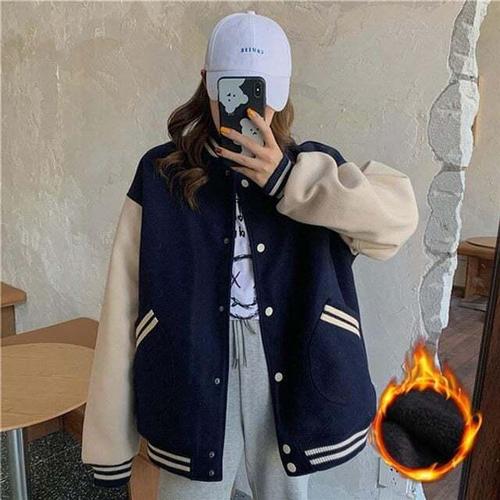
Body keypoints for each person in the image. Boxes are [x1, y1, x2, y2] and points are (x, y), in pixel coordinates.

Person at [81, 10, 419, 500]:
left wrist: (289, 181)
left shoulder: (314, 172)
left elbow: (396, 222)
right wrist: (109, 445)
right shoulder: (160, 173)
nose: (248, 107)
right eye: (234, 87)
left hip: (291, 362)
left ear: (282, 90)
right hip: (189, 368)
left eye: (259, 90)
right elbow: (121, 303)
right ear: (207, 82)